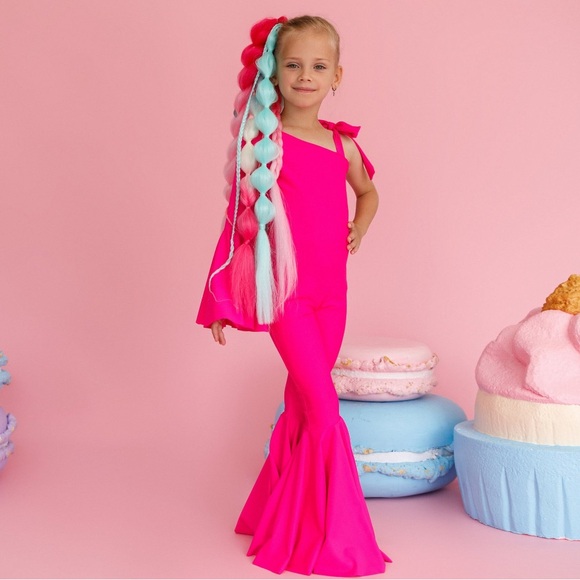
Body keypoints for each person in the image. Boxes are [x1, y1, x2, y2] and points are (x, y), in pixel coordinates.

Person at [197, 15, 390, 576]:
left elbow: (370, 193)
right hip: (288, 299)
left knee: (305, 404)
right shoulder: (265, 143)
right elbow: (239, 223)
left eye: (319, 66)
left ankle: (273, 511)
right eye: (294, 65)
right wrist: (221, 299)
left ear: (336, 76)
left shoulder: (343, 143)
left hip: (333, 296)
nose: (306, 76)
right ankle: (336, 538)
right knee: (325, 407)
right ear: (275, 73)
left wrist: (359, 227)